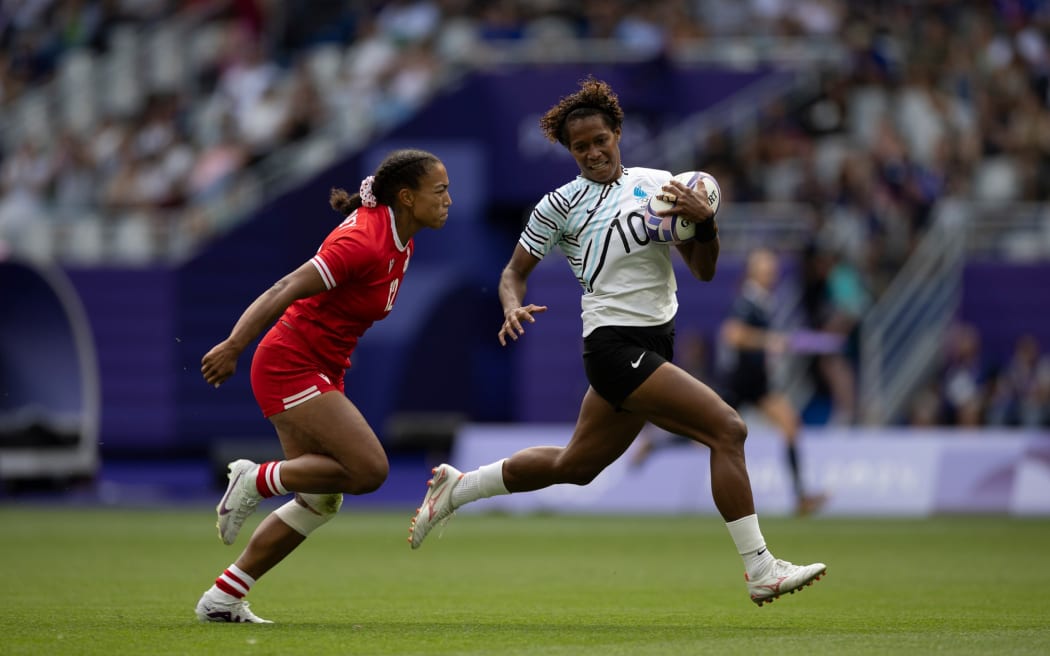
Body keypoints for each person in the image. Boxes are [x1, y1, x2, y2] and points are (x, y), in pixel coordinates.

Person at [407, 78, 826, 607]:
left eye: (600, 140)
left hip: (655, 344)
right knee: (728, 428)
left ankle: (457, 487)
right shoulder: (559, 205)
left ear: (617, 132)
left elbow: (702, 270)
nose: (593, 152)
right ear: (569, 151)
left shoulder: (661, 185)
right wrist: (511, 304)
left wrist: (706, 224)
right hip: (612, 348)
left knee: (575, 467)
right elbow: (513, 273)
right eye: (580, 147)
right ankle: (761, 568)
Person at [194, 148, 452, 623]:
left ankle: (223, 598)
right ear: (407, 196)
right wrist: (233, 345)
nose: (448, 200)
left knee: (319, 501)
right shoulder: (364, 242)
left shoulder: (402, 238)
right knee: (370, 470)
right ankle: (254, 478)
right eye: (439, 190)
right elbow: (283, 288)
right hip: (289, 363)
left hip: (322, 365)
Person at [716, 247, 828, 516]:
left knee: (790, 424)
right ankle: (656, 443)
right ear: (755, 273)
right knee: (703, 431)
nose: (772, 274)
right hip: (739, 383)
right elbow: (732, 335)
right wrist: (769, 341)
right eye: (767, 270)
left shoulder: (763, 301)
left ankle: (801, 497)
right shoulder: (747, 301)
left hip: (758, 385)